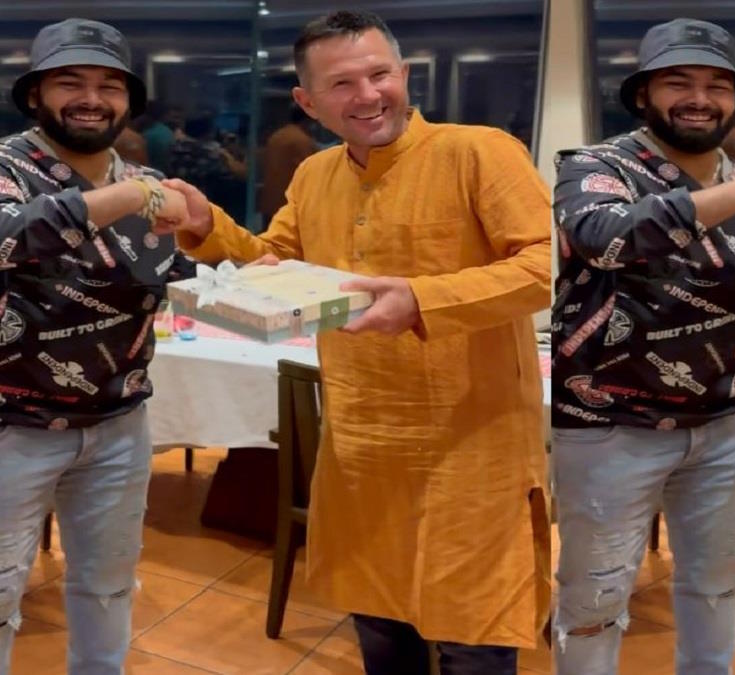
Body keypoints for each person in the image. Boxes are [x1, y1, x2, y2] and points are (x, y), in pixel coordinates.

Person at [166, 10, 552, 675]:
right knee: (379, 621)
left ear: (405, 75)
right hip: (361, 446)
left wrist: (422, 299)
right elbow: (275, 262)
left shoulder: (479, 151)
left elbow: (546, 266)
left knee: (472, 634)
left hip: (472, 450)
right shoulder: (315, 175)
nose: (368, 95)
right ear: (308, 101)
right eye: (342, 84)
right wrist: (208, 228)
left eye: (379, 75)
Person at [550, 18, 735, 675]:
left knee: (716, 587)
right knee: (594, 602)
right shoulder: (595, 167)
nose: (699, 99)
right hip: (609, 426)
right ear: (643, 95)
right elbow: (605, 237)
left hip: (726, 424)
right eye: (678, 83)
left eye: (718, 86)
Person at [0, 18, 194, 675]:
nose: (92, 99)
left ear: (127, 100)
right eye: (70, 82)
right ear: (35, 94)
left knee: (109, 586)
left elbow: (166, 273)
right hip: (1, 428)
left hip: (118, 424)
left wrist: (232, 270)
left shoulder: (146, 181)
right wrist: (131, 195)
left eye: (109, 86)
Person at [258, 106, 317, 224]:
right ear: (308, 119)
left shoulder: (276, 136)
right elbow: (313, 174)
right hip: (289, 207)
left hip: (270, 202)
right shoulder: (302, 141)